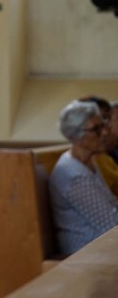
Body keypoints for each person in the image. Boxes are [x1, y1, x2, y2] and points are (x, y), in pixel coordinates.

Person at [49, 99, 118, 255]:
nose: (105, 133)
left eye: (103, 125)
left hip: (104, 244)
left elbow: (112, 204)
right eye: (96, 129)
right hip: (86, 251)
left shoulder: (88, 162)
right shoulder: (72, 173)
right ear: (75, 136)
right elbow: (111, 225)